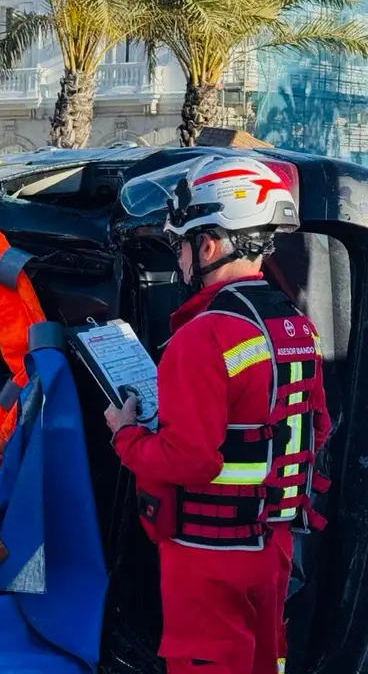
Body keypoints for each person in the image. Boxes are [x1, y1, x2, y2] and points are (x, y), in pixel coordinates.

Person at [105, 156, 331, 674]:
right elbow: (313, 425)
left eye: (180, 245)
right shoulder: (297, 326)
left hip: (207, 558)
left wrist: (126, 434)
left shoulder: (201, 336)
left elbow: (189, 460)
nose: (181, 260)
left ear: (207, 245)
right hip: (272, 546)